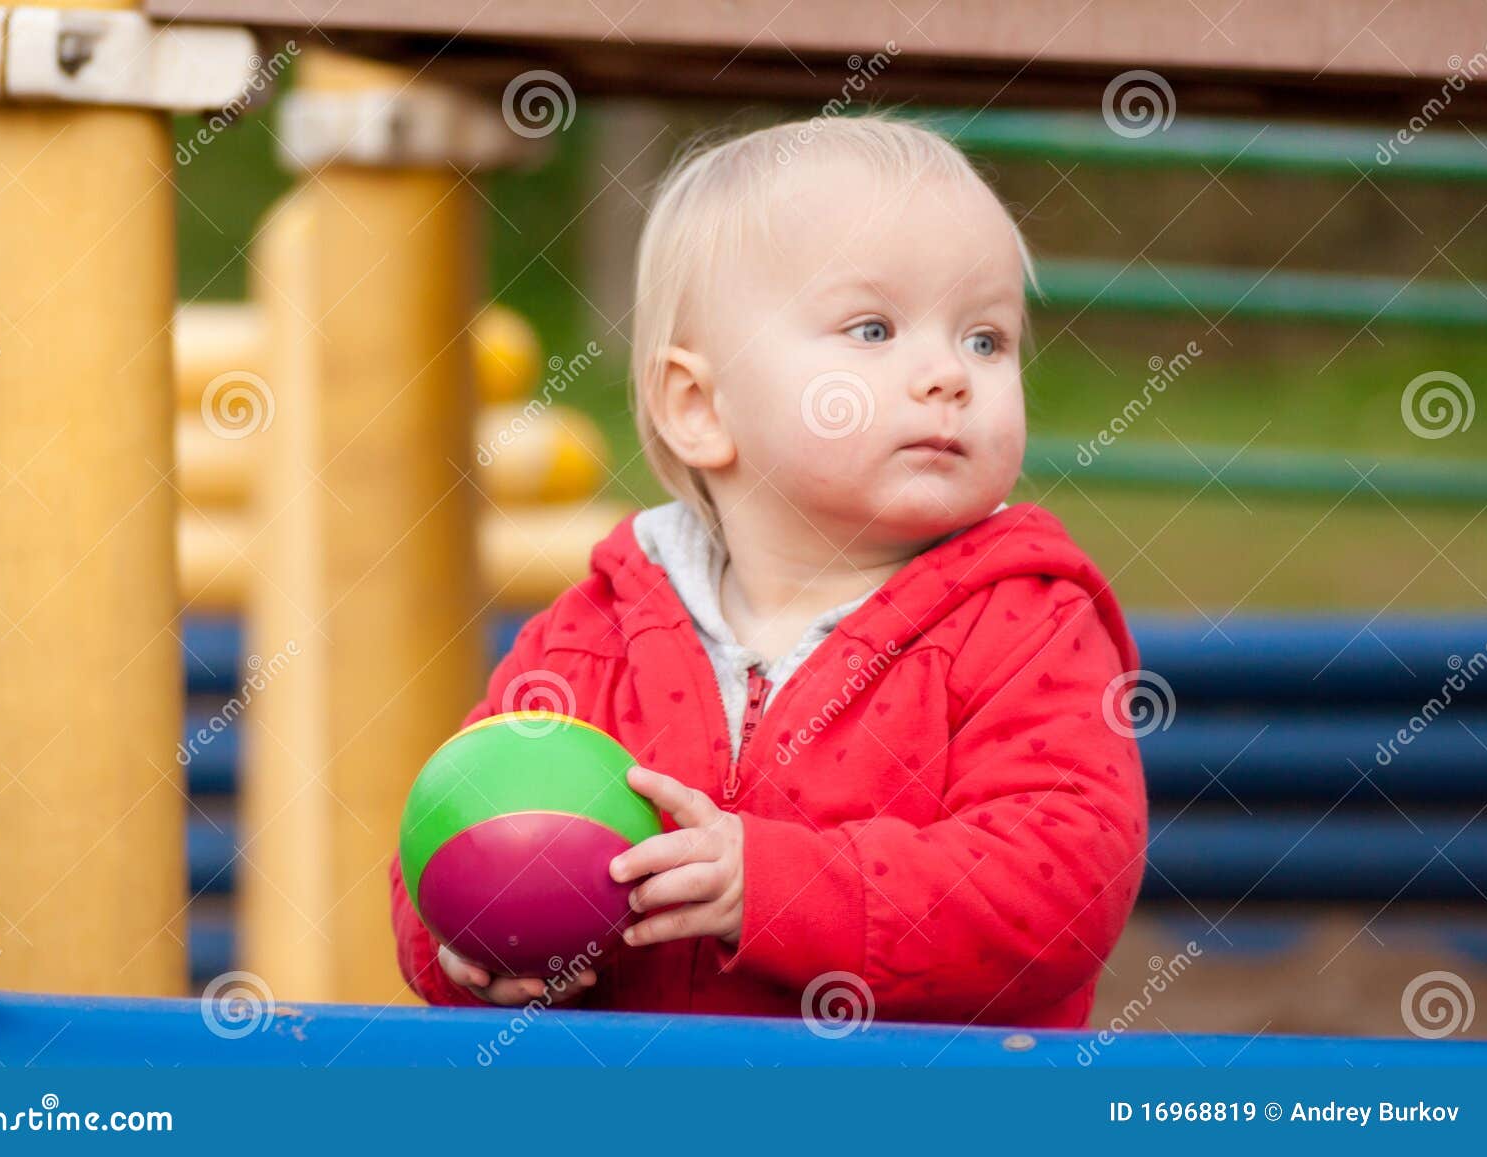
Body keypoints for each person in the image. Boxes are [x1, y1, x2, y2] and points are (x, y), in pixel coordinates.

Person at [390, 112, 1148, 1028]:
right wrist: (463, 947)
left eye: (986, 339)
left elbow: (1060, 883)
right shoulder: (595, 636)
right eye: (873, 329)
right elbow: (459, 822)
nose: (949, 374)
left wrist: (779, 886)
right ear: (699, 406)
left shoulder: (1026, 625)